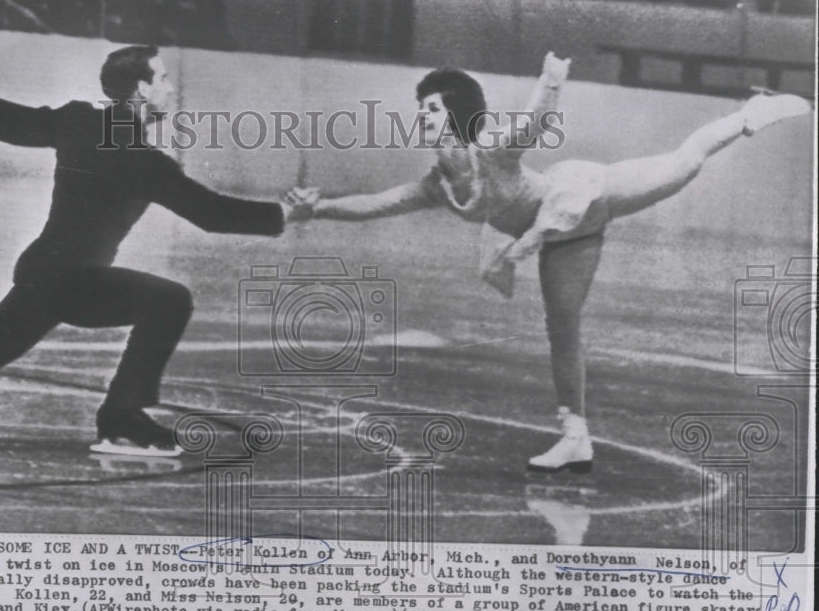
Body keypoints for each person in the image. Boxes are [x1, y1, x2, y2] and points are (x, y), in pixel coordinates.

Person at [286, 53, 811, 473]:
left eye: (432, 110)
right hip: (563, 243)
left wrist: (550, 81)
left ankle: (750, 114)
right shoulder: (437, 184)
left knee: (685, 163)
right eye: (421, 111)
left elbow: (532, 128)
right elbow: (378, 202)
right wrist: (321, 208)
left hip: (585, 196)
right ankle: (575, 437)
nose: (421, 119)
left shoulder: (489, 148)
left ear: (459, 117)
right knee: (563, 329)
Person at [0, 45, 309, 457]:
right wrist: (283, 214)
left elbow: (9, 121)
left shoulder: (80, 121)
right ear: (141, 88)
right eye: (163, 78)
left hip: (48, 273)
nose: (171, 88)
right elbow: (210, 213)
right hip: (73, 281)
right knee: (169, 300)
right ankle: (122, 419)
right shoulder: (141, 158)